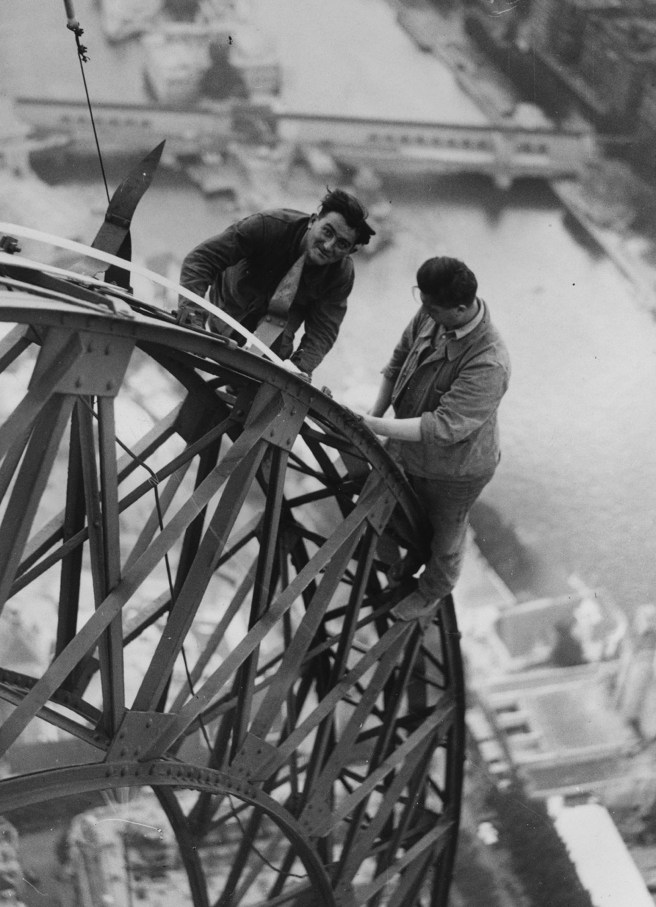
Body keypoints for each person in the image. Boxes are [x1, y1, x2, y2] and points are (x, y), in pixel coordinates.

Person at [362, 256, 510, 622]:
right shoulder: (433, 312)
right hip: (406, 442)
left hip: (457, 468)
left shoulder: (489, 361)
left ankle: (432, 590)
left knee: (447, 534)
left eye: (431, 306)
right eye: (422, 301)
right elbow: (397, 363)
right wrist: (375, 416)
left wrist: (371, 426)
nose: (423, 311)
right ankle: (412, 554)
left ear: (460, 309)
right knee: (393, 502)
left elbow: (443, 428)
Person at [176, 189, 373, 376]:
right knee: (224, 348)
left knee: (266, 370)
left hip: (281, 324)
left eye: (342, 244)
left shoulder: (342, 274)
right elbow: (201, 260)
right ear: (313, 221)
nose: (329, 246)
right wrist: (193, 318)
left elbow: (324, 330)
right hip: (233, 303)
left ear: (351, 252)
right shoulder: (268, 226)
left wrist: (299, 368)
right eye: (327, 232)